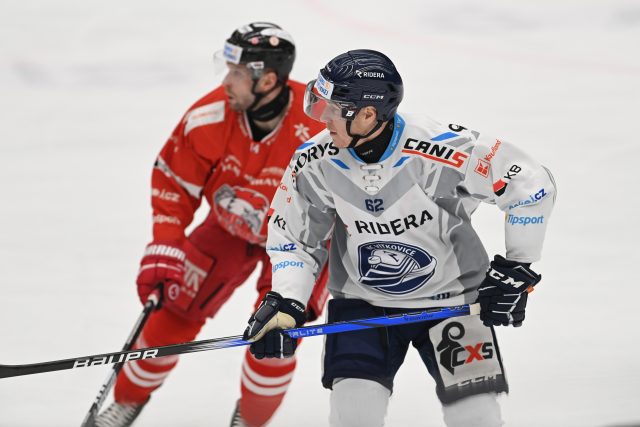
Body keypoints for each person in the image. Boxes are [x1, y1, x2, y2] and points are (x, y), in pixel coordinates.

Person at [243, 49, 556, 426]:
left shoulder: (440, 150)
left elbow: (529, 184)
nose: (323, 117)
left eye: (332, 107)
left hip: (453, 301)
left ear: (368, 114)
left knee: (476, 417)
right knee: (353, 414)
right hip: (363, 304)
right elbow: (293, 236)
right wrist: (288, 301)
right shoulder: (314, 162)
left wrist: (516, 267)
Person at [94, 22, 329, 427]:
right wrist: (166, 244)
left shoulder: (321, 127)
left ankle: (249, 421)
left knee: (275, 335)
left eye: (237, 73)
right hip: (229, 228)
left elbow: (354, 190)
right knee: (170, 312)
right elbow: (174, 181)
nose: (226, 82)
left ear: (268, 80)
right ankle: (126, 402)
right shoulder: (208, 117)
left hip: (300, 242)